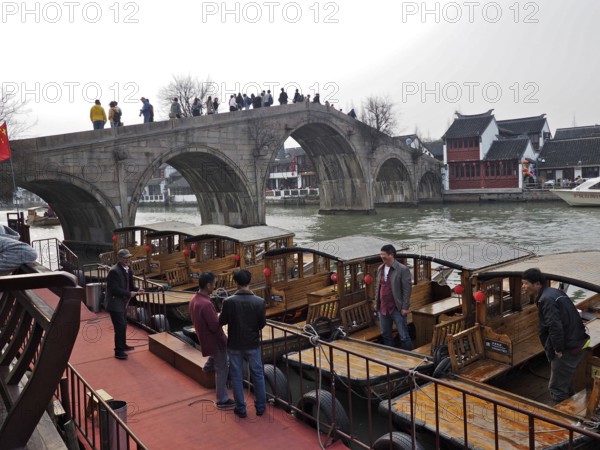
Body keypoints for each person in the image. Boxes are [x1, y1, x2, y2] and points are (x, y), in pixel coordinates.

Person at [522, 268, 590, 404]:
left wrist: (558, 349)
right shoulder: (554, 293)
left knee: (556, 388)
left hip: (567, 348)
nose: (523, 287)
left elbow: (555, 326)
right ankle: (572, 409)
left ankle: (561, 418)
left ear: (537, 284)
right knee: (566, 381)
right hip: (576, 342)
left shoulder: (546, 299)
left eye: (525, 283)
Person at [219, 269, 266, 418]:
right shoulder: (259, 302)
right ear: (249, 282)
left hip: (234, 344)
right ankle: (260, 407)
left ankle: (241, 408)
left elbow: (222, 321)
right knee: (258, 374)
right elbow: (261, 324)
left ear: (236, 282)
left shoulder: (228, 302)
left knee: (236, 375)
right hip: (252, 343)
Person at [189, 272, 233, 409]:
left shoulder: (194, 300)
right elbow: (215, 327)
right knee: (222, 368)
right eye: (214, 284)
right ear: (208, 285)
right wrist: (221, 318)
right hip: (215, 341)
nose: (215, 287)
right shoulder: (206, 304)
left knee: (215, 360)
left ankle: (207, 368)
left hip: (205, 338)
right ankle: (222, 399)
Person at [105, 248, 144, 360]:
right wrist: (129, 293)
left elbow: (130, 286)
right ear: (120, 258)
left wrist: (137, 290)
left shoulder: (128, 269)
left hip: (123, 302)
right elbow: (114, 290)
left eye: (129, 257)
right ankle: (118, 351)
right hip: (115, 303)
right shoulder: (114, 271)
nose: (128, 260)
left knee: (123, 324)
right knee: (120, 326)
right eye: (125, 258)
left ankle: (123, 345)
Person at [375, 244, 413, 350]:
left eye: (384, 255)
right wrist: (376, 304)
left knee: (404, 335)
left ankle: (410, 357)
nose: (382, 257)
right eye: (381, 255)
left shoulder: (402, 269)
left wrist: (405, 307)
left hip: (397, 308)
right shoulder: (380, 268)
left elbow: (407, 289)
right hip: (383, 307)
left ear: (391, 255)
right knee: (385, 334)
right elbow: (378, 287)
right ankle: (390, 355)